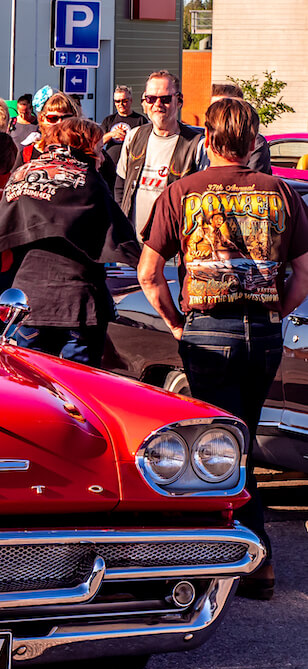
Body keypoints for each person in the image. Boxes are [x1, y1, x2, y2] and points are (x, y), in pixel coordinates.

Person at [136, 97, 308, 600]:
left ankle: (226, 559)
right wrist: (277, 310)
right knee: (242, 441)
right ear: (255, 142)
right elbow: (303, 274)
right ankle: (255, 561)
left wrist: (174, 323)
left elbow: (148, 273)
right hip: (263, 330)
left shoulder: (182, 192)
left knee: (210, 450)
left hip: (207, 328)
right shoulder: (280, 192)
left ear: (206, 141)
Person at [0, 117, 140, 360]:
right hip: (78, 302)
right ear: (86, 147)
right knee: (77, 390)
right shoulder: (87, 178)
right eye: (98, 149)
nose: (101, 156)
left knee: (34, 389)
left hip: (28, 299)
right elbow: (118, 235)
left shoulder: (22, 174)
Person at [115, 70, 204, 234]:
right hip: (132, 246)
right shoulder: (134, 137)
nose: (157, 104)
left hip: (175, 249)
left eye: (165, 99)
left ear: (179, 101)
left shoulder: (197, 144)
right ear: (143, 102)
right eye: (151, 99)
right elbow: (120, 187)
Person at [197, 82, 271, 173]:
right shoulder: (196, 141)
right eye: (215, 108)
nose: (220, 114)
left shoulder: (256, 142)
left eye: (228, 109)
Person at [99, 85, 147, 186]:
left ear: (131, 100)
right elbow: (99, 141)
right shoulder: (109, 120)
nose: (121, 104)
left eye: (124, 100)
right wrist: (112, 134)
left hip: (130, 167)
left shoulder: (140, 120)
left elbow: (146, 144)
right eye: (117, 101)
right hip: (110, 167)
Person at [17, 91, 82, 166]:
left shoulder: (85, 153)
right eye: (52, 118)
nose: (59, 123)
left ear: (76, 119)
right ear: (42, 119)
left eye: (66, 118)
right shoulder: (28, 154)